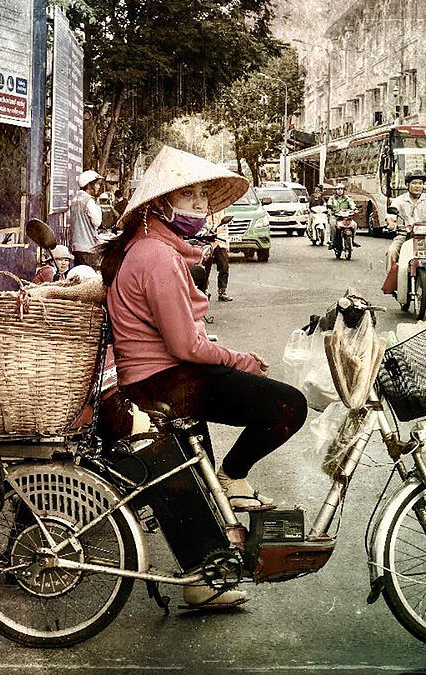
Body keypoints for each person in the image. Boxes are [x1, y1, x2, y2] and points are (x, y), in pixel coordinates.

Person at [99, 145, 307, 608]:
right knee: (289, 405)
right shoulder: (155, 256)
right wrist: (239, 359)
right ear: (158, 205)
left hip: (154, 382)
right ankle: (235, 478)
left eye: (202, 198)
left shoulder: (152, 249)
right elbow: (186, 346)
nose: (200, 206)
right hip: (167, 381)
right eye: (189, 196)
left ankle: (202, 578)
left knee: (195, 486)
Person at [385, 170, 426, 295]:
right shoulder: (400, 200)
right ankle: (393, 283)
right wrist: (392, 223)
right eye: (414, 183)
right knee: (392, 252)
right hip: (405, 234)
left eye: (420, 183)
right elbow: (391, 215)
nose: (417, 186)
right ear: (407, 184)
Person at [70, 169, 105, 268]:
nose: (98, 187)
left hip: (76, 247)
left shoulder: (75, 200)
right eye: (97, 184)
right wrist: (98, 207)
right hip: (88, 246)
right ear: (89, 185)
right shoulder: (88, 200)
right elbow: (97, 222)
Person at [201, 213, 233, 302]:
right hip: (206, 241)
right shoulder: (203, 209)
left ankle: (222, 291)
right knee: (205, 268)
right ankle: (203, 291)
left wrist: (227, 245)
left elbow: (225, 228)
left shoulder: (221, 210)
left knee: (224, 266)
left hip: (220, 241)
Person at [326, 182, 358, 248]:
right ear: (336, 191)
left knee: (354, 225)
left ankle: (352, 240)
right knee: (333, 225)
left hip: (346, 217)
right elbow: (329, 205)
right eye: (338, 189)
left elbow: (352, 204)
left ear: (343, 190)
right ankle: (332, 241)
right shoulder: (332, 198)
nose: (340, 191)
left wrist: (354, 209)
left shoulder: (347, 198)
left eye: (341, 189)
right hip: (335, 216)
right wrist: (331, 209)